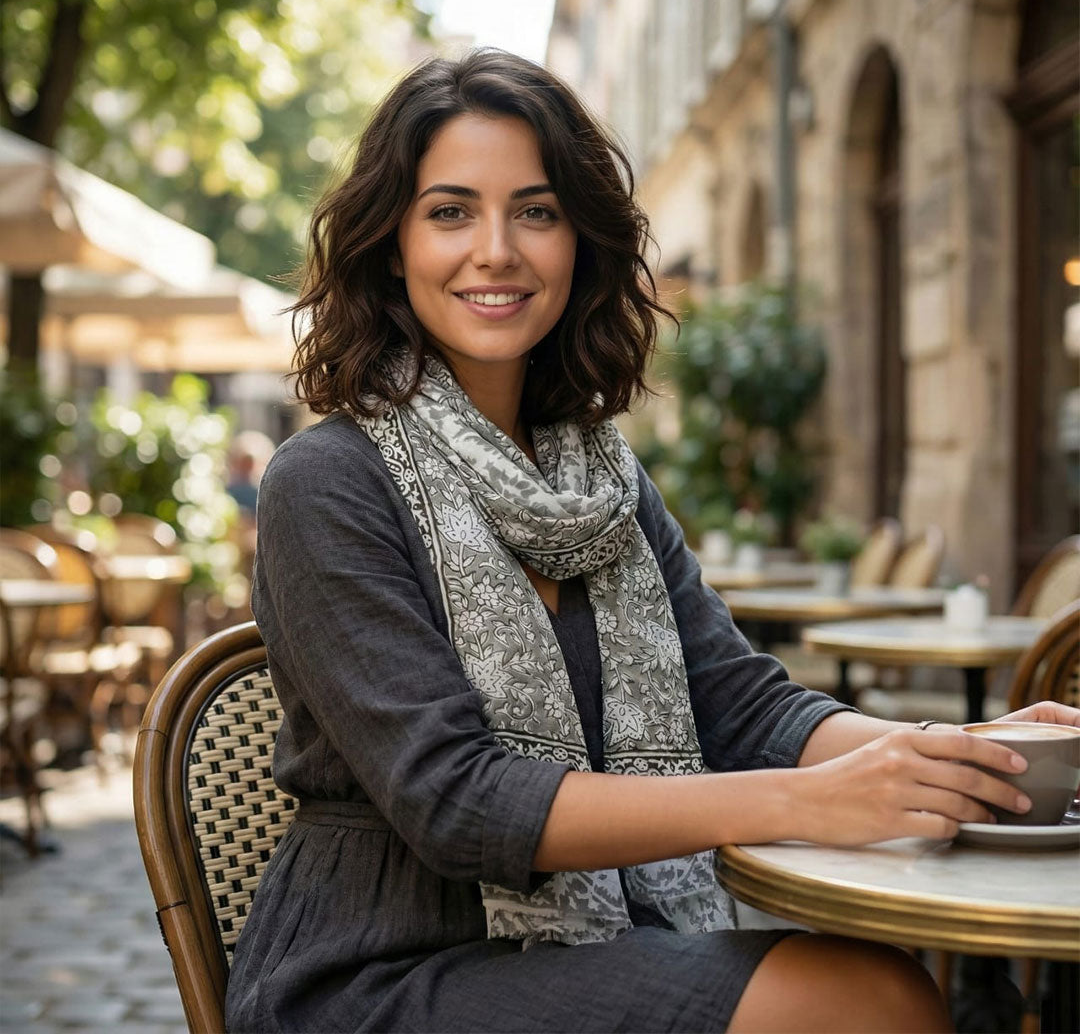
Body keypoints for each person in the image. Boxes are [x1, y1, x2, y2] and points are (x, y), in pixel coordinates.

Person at [225, 50, 1078, 1034]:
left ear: (579, 245)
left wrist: (966, 755)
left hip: (605, 936)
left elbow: (741, 702)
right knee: (863, 999)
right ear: (392, 244)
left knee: (875, 975)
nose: (496, 249)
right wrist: (806, 804)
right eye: (451, 211)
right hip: (378, 971)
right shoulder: (326, 482)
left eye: (536, 212)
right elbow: (457, 802)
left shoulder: (603, 477)